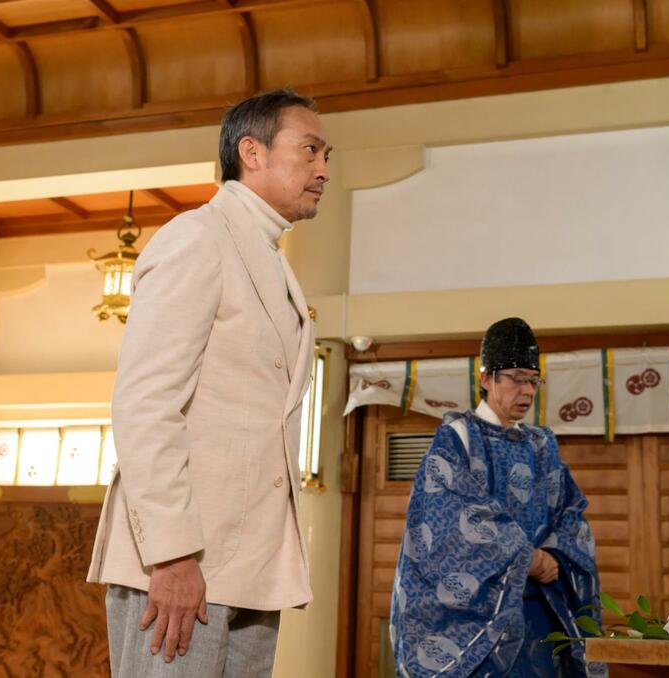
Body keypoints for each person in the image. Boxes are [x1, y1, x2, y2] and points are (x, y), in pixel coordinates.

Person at [86, 89, 332, 677]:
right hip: (183, 563)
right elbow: (146, 404)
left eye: (327, 156)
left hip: (248, 570)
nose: (323, 169)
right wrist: (171, 555)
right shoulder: (197, 237)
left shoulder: (269, 257)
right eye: (310, 150)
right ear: (252, 152)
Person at [390, 317, 607, 677]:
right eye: (517, 378)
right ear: (486, 378)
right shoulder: (458, 438)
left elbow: (570, 513)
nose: (528, 391)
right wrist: (527, 557)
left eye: (534, 380)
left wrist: (554, 556)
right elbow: (448, 524)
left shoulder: (542, 444)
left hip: (540, 610)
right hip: (475, 622)